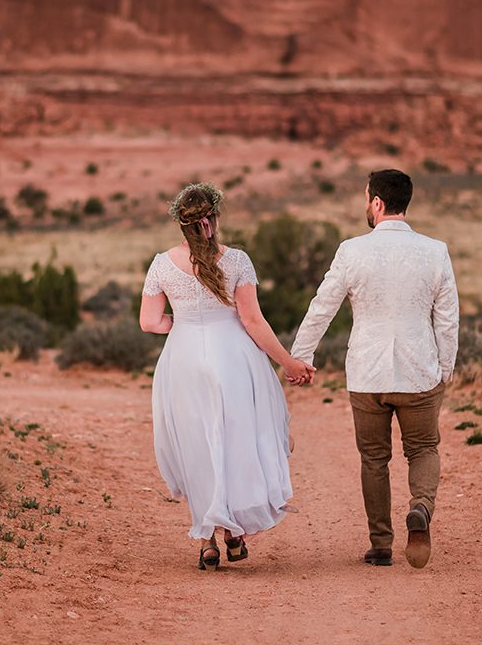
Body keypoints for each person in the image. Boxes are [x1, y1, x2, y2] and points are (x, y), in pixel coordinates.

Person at [139, 182, 314, 571]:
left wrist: (184, 322)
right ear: (213, 220)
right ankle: (234, 534)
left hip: (182, 361)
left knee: (198, 444)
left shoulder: (161, 264)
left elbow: (149, 321)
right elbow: (252, 320)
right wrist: (288, 362)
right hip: (233, 357)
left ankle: (207, 540)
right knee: (235, 440)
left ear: (181, 225)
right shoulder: (236, 260)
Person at [291, 169, 459, 569]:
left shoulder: (352, 251)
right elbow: (447, 318)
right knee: (422, 448)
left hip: (367, 374)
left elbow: (322, 306)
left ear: (378, 203)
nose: (365, 205)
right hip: (419, 371)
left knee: (374, 458)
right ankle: (420, 507)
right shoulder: (435, 251)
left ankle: (381, 545)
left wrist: (302, 355)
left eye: (367, 198)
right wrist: (445, 368)